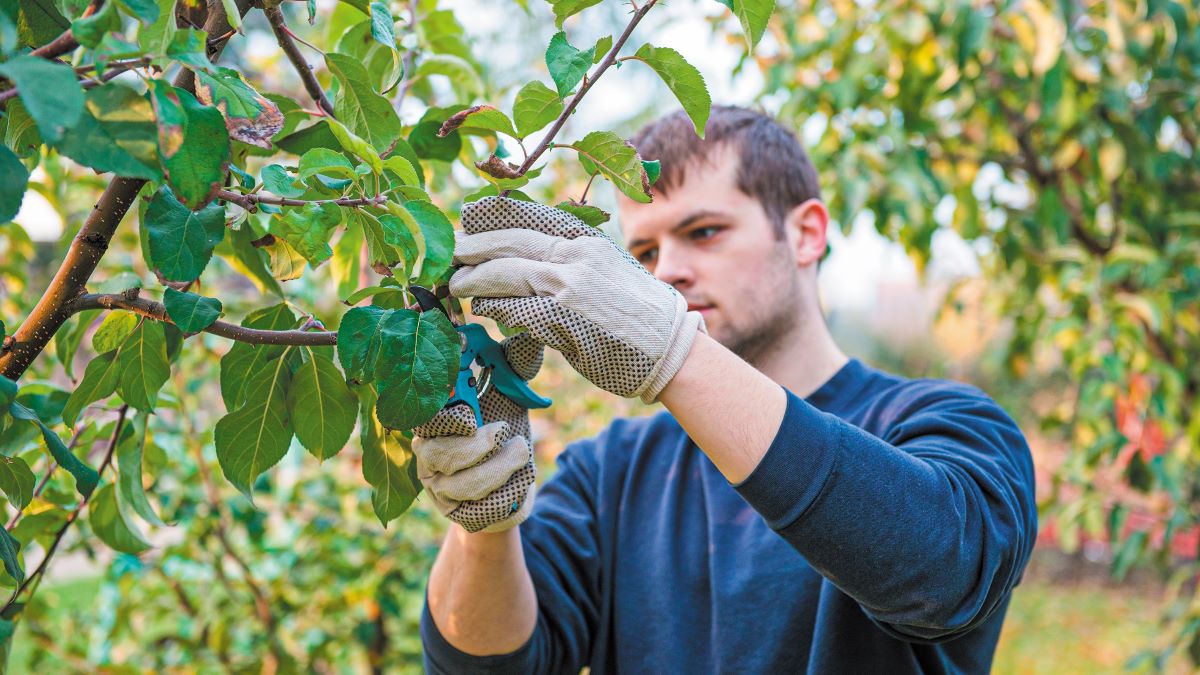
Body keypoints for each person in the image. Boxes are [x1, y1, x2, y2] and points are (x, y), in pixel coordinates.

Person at [413, 105, 1037, 674]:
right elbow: (488, 664)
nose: (669, 271)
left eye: (705, 231)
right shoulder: (612, 470)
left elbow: (944, 576)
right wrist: (484, 523)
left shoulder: (949, 423)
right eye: (645, 251)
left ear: (806, 234)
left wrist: (675, 351)